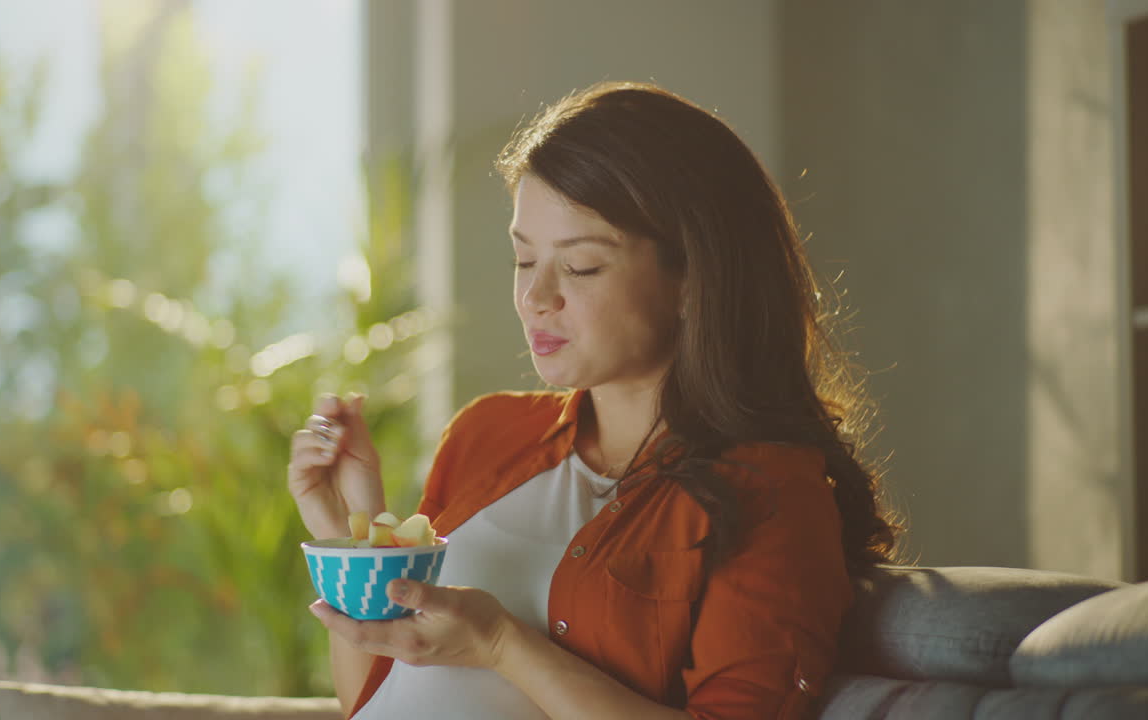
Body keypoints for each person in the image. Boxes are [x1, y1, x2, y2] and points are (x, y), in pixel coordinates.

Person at [287, 80, 898, 720]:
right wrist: (348, 532)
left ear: (693, 278)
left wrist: (502, 645)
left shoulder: (770, 491)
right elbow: (376, 697)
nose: (536, 297)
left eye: (580, 267)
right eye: (524, 260)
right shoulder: (486, 434)